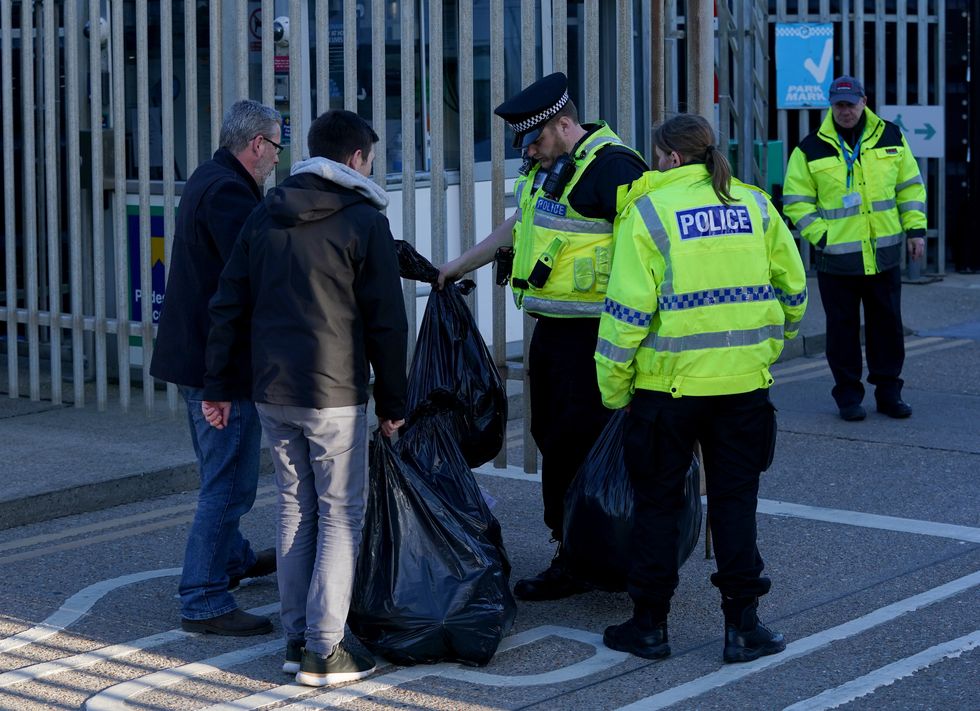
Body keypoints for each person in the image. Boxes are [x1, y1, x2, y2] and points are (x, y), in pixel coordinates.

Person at [202, 109, 408, 687]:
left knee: (296, 507)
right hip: (335, 391)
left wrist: (219, 385)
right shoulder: (363, 220)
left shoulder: (266, 211)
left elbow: (228, 301)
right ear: (356, 159)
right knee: (341, 515)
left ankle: (297, 638)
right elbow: (387, 322)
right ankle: (326, 649)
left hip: (272, 391)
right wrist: (395, 402)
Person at [595, 114, 808, 664]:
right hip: (743, 387)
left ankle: (649, 626)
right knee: (735, 505)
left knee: (658, 507)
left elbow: (625, 316)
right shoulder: (757, 205)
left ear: (668, 157)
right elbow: (793, 288)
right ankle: (743, 628)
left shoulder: (649, 211)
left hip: (667, 391)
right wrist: (770, 344)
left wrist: (615, 390)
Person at [438, 72, 648, 601]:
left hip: (599, 338)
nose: (528, 151)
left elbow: (651, 249)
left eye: (535, 139)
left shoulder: (614, 168)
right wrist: (460, 263)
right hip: (554, 335)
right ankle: (573, 549)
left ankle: (603, 555)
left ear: (564, 122)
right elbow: (520, 224)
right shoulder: (549, 167)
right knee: (553, 442)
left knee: (586, 447)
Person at [150, 99, 281, 636]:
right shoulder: (229, 192)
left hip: (196, 359)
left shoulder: (209, 175)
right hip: (216, 367)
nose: (277, 157)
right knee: (229, 482)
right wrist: (222, 384)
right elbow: (238, 288)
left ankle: (231, 559)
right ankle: (203, 598)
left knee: (218, 471)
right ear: (256, 145)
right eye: (275, 145)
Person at [783, 75, 927, 422]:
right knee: (842, 332)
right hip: (838, 260)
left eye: (850, 103)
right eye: (838, 104)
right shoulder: (809, 148)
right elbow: (795, 201)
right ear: (831, 106)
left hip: (884, 255)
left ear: (864, 101)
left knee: (888, 328)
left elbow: (910, 186)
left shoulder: (891, 136)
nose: (845, 111)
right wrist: (824, 237)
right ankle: (848, 396)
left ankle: (889, 393)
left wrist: (916, 231)